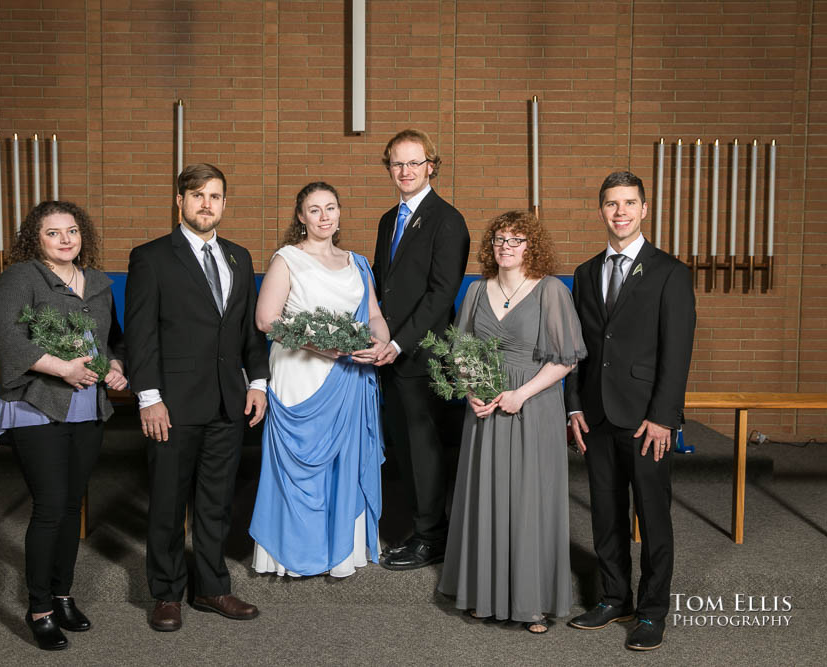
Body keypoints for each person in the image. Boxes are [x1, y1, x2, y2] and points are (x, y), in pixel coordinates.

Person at [125, 163, 269, 633]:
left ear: (225, 203)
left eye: (215, 196)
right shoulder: (151, 257)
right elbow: (141, 336)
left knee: (215, 503)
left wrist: (258, 383)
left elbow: (248, 331)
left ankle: (212, 587)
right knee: (167, 502)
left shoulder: (240, 257)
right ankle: (166, 594)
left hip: (228, 402)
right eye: (197, 195)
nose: (207, 204)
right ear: (180, 201)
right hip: (172, 403)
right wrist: (149, 397)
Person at [438, 211, 586, 634]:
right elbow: (461, 352)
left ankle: (532, 603)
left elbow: (566, 359)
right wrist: (471, 392)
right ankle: (485, 596)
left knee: (528, 502)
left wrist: (521, 395)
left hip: (532, 406)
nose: (506, 246)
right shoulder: (476, 292)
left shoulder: (551, 291)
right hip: (485, 407)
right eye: (500, 239)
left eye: (516, 240)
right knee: (486, 497)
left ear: (531, 246)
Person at [565, 171, 696, 651]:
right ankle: (613, 596)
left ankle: (652, 609)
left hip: (647, 419)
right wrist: (573, 406)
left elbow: (677, 351)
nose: (619, 212)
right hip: (597, 414)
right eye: (611, 204)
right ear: (601, 211)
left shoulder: (669, 273)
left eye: (628, 203)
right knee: (605, 511)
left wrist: (665, 417)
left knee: (653, 513)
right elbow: (577, 348)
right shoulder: (584, 273)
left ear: (644, 209)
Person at [0, 200, 128, 651]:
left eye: (72, 230)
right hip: (38, 405)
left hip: (88, 408)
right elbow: (10, 340)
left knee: (72, 506)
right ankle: (39, 609)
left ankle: (63, 595)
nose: (66, 239)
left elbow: (113, 341)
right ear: (36, 238)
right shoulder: (21, 278)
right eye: (54, 232)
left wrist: (116, 368)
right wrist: (62, 368)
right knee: (50, 505)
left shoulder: (99, 284)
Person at [248, 182, 388, 578]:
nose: (324, 216)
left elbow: (374, 314)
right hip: (300, 374)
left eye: (330, 208)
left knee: (344, 464)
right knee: (299, 467)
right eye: (314, 210)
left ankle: (340, 551)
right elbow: (266, 320)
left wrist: (380, 343)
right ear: (301, 217)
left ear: (340, 212)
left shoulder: (358, 262)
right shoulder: (287, 259)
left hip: (350, 375)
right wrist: (322, 347)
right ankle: (290, 552)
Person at [370, 129, 470, 570]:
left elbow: (441, 293)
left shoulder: (449, 221)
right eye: (397, 163)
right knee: (403, 449)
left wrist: (397, 341)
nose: (405, 171)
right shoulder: (387, 219)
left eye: (414, 163)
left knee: (425, 448)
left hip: (422, 354)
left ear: (432, 165)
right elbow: (381, 285)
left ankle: (433, 536)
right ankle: (420, 526)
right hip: (388, 353)